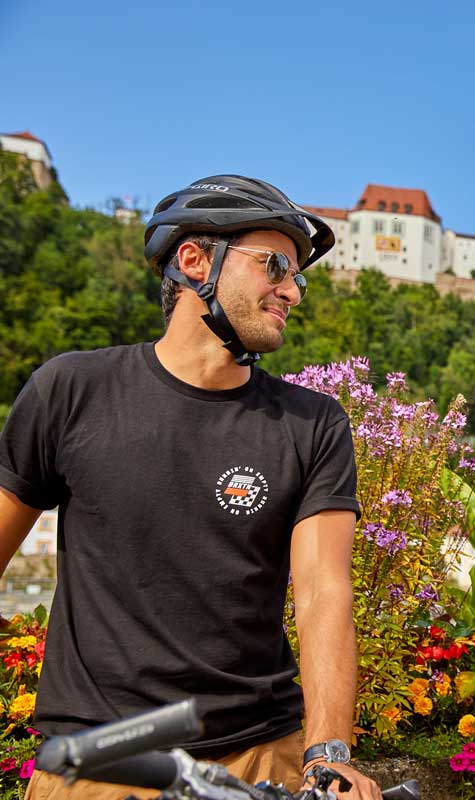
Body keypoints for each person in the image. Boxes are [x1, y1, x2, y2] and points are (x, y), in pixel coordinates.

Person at [0, 175, 381, 800]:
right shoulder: (70, 391)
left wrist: (328, 753)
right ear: (195, 261)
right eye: (275, 266)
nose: (292, 291)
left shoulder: (313, 424)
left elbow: (322, 592)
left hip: (262, 756)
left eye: (298, 277)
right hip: (100, 765)